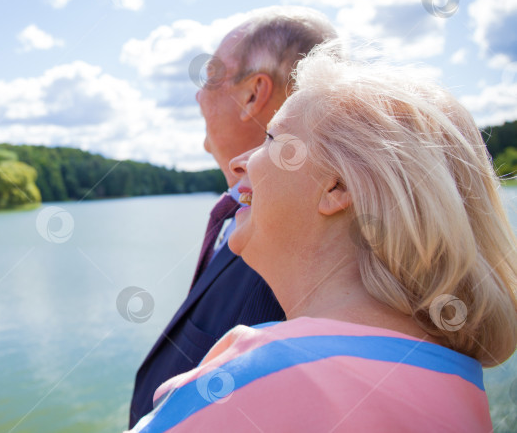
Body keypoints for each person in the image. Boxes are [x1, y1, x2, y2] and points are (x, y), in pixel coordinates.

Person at [128, 47, 517, 432]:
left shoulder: (257, 380)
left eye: (270, 138)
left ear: (337, 186)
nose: (239, 163)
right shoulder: (458, 380)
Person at [129, 7, 338, 426]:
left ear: (252, 95)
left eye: (209, 78)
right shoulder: (253, 216)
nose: (197, 96)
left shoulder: (302, 243)